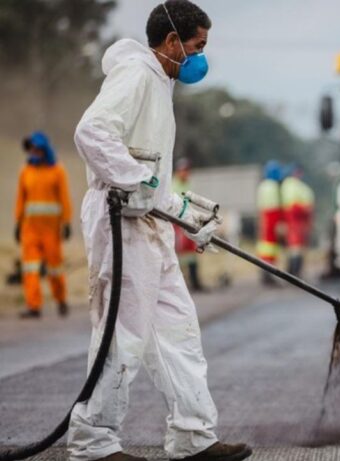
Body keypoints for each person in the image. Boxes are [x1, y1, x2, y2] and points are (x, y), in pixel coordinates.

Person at [68, 2, 252, 461]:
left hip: (147, 227)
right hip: (121, 227)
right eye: (197, 46)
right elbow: (92, 134)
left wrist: (188, 211)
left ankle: (193, 437)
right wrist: (139, 182)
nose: (200, 58)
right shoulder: (136, 76)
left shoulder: (159, 83)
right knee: (121, 336)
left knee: (178, 332)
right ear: (172, 41)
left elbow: (148, 174)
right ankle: (93, 443)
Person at [14, 131, 72, 319]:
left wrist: (67, 222)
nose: (33, 153)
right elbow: (21, 199)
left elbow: (64, 198)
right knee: (30, 269)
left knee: (55, 269)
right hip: (30, 230)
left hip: (51, 231)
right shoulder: (26, 171)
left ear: (44, 150)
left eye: (36, 150)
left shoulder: (57, 171)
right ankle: (34, 307)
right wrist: (18, 222)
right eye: (31, 150)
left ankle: (61, 299)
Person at [172, 157, 205, 291]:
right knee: (178, 254)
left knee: (191, 253)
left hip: (188, 222)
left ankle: (194, 281)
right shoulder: (174, 185)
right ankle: (180, 285)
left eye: (187, 170)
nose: (186, 173)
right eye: (183, 170)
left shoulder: (187, 184)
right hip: (178, 222)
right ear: (178, 171)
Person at [280, 164, 315, 277]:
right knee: (296, 247)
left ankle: (292, 272)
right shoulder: (294, 186)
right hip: (296, 219)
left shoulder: (289, 185)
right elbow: (297, 205)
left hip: (296, 219)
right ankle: (294, 273)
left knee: (295, 248)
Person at [256, 160, 283, 285]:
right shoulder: (273, 186)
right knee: (270, 247)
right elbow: (276, 205)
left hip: (264, 217)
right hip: (272, 217)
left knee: (265, 246)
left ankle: (265, 273)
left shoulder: (262, 185)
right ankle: (269, 274)